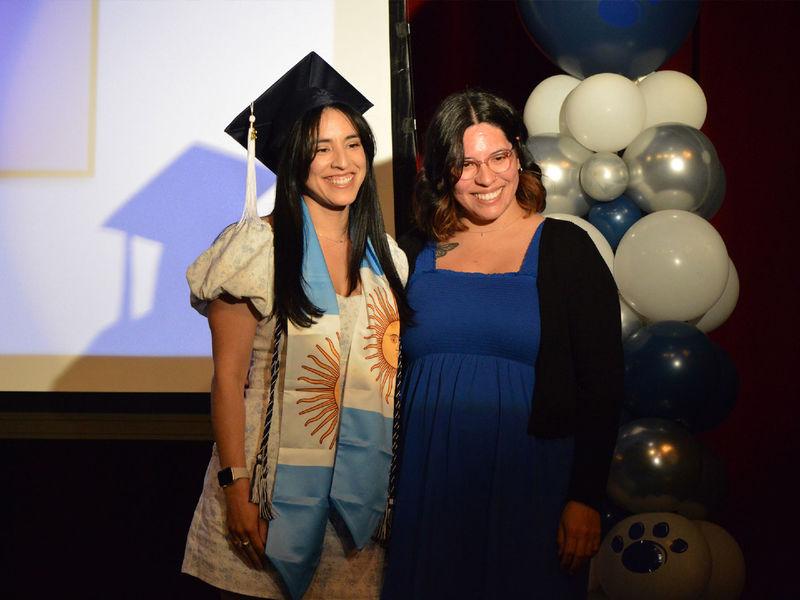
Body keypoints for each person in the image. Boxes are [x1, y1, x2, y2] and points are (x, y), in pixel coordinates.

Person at [182, 52, 409, 600]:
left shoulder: (387, 259)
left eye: (353, 144)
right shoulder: (254, 249)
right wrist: (236, 491)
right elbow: (228, 381)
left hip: (355, 522)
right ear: (291, 160)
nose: (342, 161)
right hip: (266, 502)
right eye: (320, 147)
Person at [382, 90, 623, 599]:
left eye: (498, 157)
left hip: (534, 481)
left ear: (518, 154)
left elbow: (603, 384)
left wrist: (585, 497)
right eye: (465, 164)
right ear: (441, 171)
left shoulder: (566, 249)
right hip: (427, 482)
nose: (487, 178)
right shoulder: (412, 251)